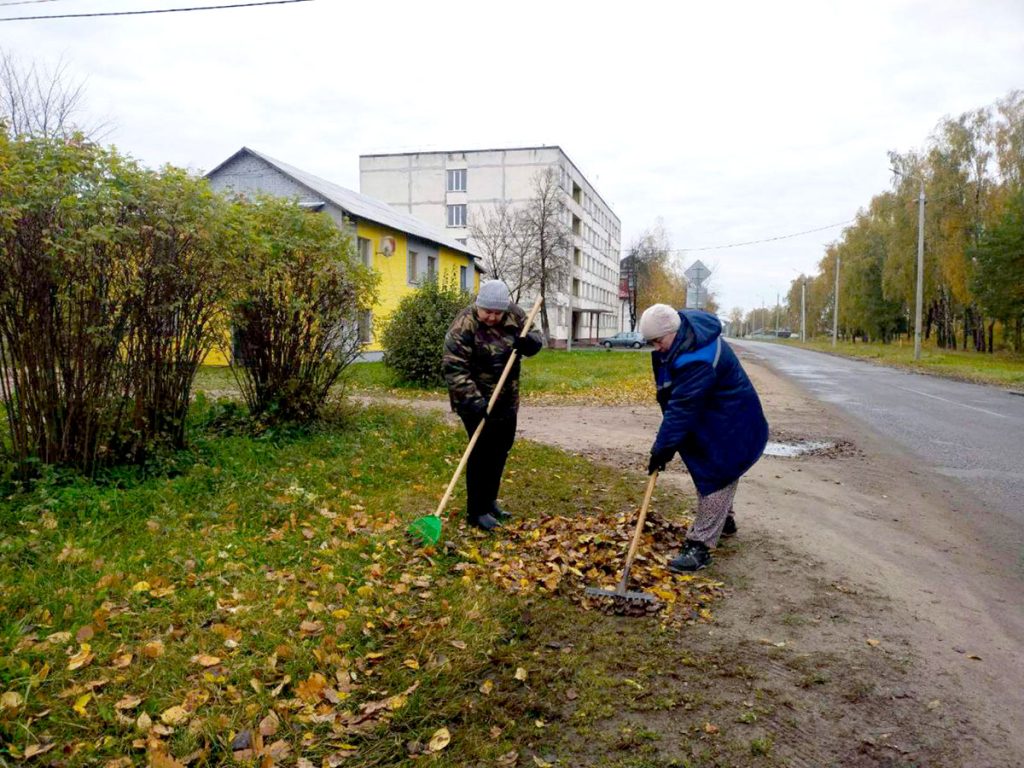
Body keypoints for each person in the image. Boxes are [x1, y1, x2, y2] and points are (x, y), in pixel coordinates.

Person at [639, 303, 768, 572]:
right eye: (652, 342)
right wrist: (665, 446)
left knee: (716, 475)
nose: (657, 347)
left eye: (658, 341)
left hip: (733, 421)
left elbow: (682, 407)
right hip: (716, 414)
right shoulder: (684, 332)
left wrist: (662, 449)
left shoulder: (698, 358)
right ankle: (725, 522)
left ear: (671, 331)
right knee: (712, 468)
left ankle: (700, 545)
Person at [443, 280, 544, 531]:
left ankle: (490, 502)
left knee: (500, 450)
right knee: (481, 454)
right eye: (487, 312)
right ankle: (476, 510)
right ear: (479, 306)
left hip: (506, 399)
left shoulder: (516, 315)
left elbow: (537, 337)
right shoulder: (464, 324)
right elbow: (454, 368)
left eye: (497, 313)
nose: (492, 317)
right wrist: (474, 402)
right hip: (474, 400)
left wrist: (530, 343)